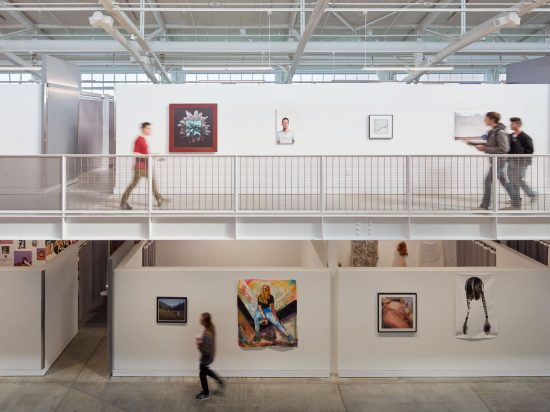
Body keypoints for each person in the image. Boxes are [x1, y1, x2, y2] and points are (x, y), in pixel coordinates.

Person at [120, 122, 166, 210]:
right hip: (140, 168)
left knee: (153, 185)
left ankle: (159, 199)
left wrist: (154, 155)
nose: (150, 130)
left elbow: (145, 153)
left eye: (150, 128)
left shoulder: (144, 139)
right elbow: (135, 153)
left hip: (147, 167)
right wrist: (148, 156)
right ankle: (123, 202)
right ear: (143, 129)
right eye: (148, 128)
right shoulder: (139, 139)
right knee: (132, 185)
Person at [475, 112, 512, 210]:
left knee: (487, 181)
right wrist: (477, 144)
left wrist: (485, 149)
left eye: (486, 118)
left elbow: (504, 149)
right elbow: (492, 145)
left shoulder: (500, 132)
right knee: (503, 181)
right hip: (495, 161)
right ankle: (516, 199)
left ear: (492, 120)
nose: (484, 120)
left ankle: (485, 205)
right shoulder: (492, 131)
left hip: (499, 161)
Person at [507, 117, 536, 207]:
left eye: (512, 124)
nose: (510, 125)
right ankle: (516, 198)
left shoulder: (525, 137)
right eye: (511, 124)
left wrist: (519, 153)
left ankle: (531, 193)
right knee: (512, 181)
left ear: (518, 125)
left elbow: (530, 150)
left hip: (521, 162)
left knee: (518, 179)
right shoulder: (510, 136)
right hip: (511, 162)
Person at [196, 313, 223, 401]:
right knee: (204, 371)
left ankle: (206, 393)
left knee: (202, 372)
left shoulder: (208, 333)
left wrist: (199, 343)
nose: (199, 319)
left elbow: (205, 351)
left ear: (205, 321)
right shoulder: (210, 327)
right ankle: (217, 381)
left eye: (201, 319)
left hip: (207, 356)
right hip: (210, 355)